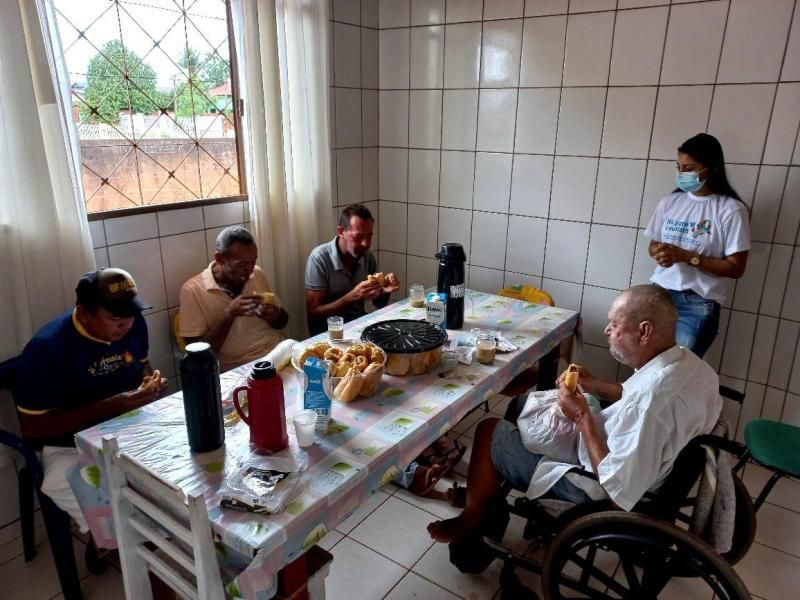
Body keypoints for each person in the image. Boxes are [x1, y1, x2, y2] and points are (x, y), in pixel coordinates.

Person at [427, 285, 722, 544]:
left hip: (599, 492)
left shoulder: (650, 404)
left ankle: (472, 516)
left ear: (644, 331)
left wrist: (582, 416)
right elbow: (634, 394)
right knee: (522, 406)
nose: (607, 331)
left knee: (489, 429)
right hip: (648, 462)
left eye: (614, 324)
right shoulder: (688, 364)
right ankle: (484, 488)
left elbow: (615, 486)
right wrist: (597, 387)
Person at [16, 268, 168, 570]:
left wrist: (148, 385)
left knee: (177, 465)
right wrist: (109, 406)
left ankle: (143, 536)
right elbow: (33, 429)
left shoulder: (133, 325)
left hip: (125, 424)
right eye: (114, 318)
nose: (126, 325)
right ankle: (115, 543)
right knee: (79, 484)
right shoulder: (47, 349)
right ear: (84, 314)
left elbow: (142, 365)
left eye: (131, 315)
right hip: (67, 443)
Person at [645, 133, 750, 357]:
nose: (682, 173)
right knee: (645, 369)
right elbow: (653, 244)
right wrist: (659, 253)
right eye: (679, 167)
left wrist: (687, 257)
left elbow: (736, 268)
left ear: (709, 168)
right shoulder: (670, 202)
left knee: (674, 373)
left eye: (689, 168)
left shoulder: (730, 210)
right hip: (659, 294)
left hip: (696, 303)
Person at [180, 226, 288, 372]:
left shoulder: (257, 273)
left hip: (277, 354)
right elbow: (198, 357)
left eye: (253, 262)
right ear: (220, 259)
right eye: (242, 265)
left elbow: (282, 322)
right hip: (238, 369)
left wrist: (275, 315)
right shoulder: (192, 291)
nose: (250, 271)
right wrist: (229, 315)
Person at [305, 203, 400, 336]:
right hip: (328, 333)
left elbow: (378, 303)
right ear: (341, 232)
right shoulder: (319, 258)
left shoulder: (366, 256)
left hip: (359, 325)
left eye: (369, 236)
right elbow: (314, 314)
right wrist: (353, 296)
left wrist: (385, 290)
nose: (366, 243)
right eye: (358, 237)